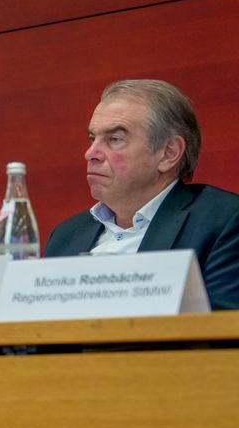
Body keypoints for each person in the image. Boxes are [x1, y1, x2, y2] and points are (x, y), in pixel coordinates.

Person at [45, 79, 239, 310]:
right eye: (92, 139)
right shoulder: (66, 236)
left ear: (169, 153)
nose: (91, 153)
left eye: (114, 139)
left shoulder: (223, 221)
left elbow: (221, 333)